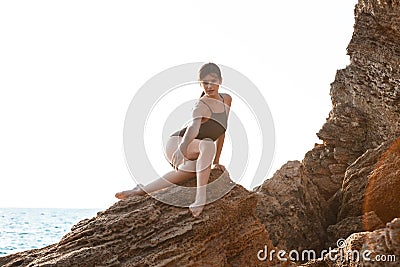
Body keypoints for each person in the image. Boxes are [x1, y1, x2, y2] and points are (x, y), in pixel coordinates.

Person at [115, 62, 232, 217]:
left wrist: (216, 161)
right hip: (178, 144)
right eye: (205, 83)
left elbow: (222, 130)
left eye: (213, 81)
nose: (209, 86)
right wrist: (181, 148)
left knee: (193, 170)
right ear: (200, 84)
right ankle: (200, 199)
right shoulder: (201, 105)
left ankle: (140, 191)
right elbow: (193, 129)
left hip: (198, 149)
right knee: (208, 144)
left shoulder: (226, 100)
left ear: (221, 81)